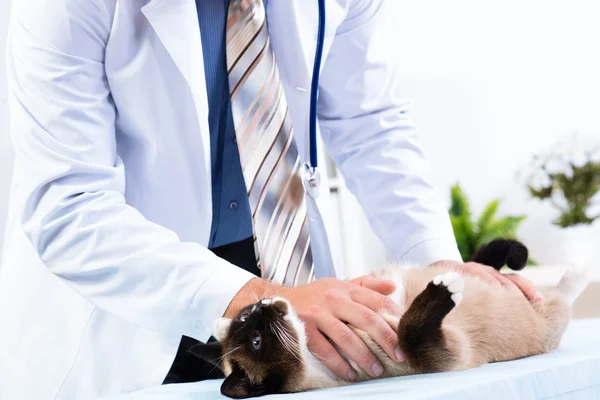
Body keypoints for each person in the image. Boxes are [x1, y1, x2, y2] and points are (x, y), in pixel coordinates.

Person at [0, 0, 539, 398]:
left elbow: (370, 122)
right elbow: (66, 203)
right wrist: (255, 295)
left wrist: (438, 259)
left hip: (284, 274)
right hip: (127, 293)